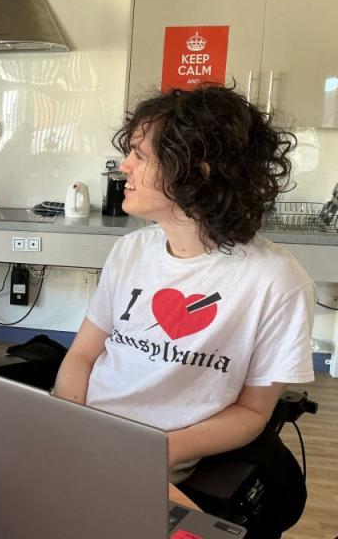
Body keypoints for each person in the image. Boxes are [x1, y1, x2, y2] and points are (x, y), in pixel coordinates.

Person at [53, 85, 315, 488]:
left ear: (199, 171)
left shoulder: (277, 282)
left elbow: (252, 412)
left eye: (140, 156)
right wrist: (70, 425)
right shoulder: (130, 251)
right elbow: (84, 355)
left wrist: (158, 452)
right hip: (80, 433)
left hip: (156, 459)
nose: (124, 166)